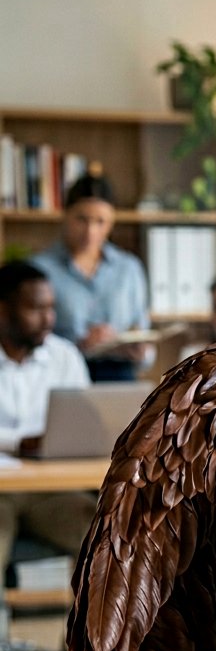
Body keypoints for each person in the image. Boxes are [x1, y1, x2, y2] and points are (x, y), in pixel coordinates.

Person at [0, 261, 96, 612]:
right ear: (3, 310)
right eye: (35, 308)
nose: (48, 318)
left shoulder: (65, 357)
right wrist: (18, 442)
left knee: (107, 540)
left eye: (51, 307)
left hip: (51, 491)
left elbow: (87, 426)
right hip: (0, 493)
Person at [34, 169, 152, 381]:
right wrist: (80, 345)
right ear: (65, 215)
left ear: (112, 221)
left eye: (100, 221)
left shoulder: (129, 269)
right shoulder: (41, 271)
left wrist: (141, 351)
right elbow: (30, 342)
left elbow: (143, 338)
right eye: (82, 219)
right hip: (61, 377)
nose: (90, 232)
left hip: (120, 377)